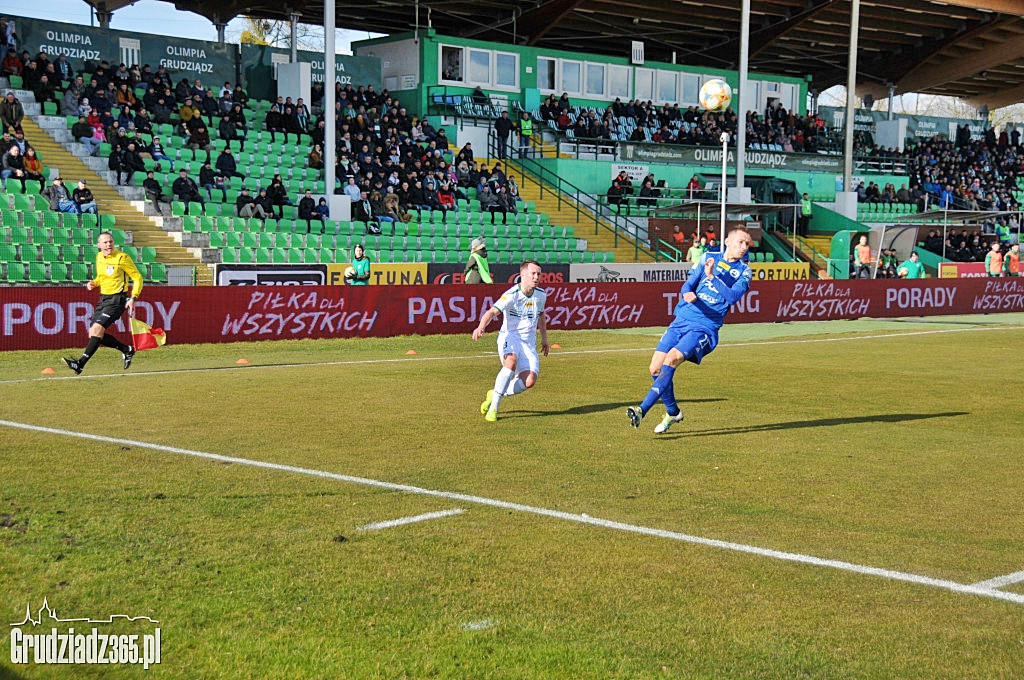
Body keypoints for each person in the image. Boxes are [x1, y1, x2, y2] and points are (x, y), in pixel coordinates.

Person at [627, 228, 753, 433]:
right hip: (683, 318)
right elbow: (687, 286)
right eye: (741, 242)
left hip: (705, 327)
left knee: (672, 359)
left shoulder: (744, 271)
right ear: (727, 242)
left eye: (747, 244)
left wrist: (712, 278)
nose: (744, 247)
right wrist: (686, 294)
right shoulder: (708, 257)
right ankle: (673, 412)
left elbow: (731, 297)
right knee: (655, 368)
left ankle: (641, 410)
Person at [472, 260, 549, 422]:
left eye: (539, 274)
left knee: (529, 381)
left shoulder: (541, 294)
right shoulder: (511, 295)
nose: (536, 277)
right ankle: (494, 408)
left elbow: (541, 315)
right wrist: (481, 326)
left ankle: (494, 393)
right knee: (511, 362)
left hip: (528, 343)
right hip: (509, 337)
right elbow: (492, 311)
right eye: (533, 274)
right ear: (522, 275)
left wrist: (544, 339)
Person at [61, 231, 142, 375]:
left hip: (117, 300)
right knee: (93, 333)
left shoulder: (122, 258)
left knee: (97, 329)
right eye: (105, 242)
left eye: (110, 241)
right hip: (103, 299)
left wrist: (133, 298)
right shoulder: (99, 257)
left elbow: (137, 278)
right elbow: (101, 277)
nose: (109, 244)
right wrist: (94, 283)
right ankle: (127, 350)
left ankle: (80, 364)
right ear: (98, 245)